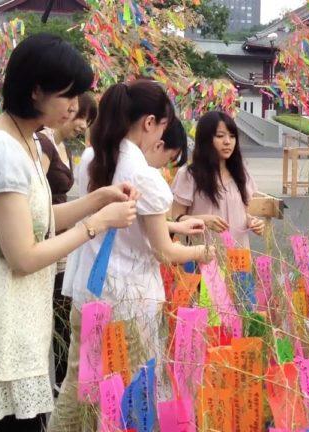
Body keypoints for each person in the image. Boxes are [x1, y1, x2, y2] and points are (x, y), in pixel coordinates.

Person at [0, 33, 138, 432]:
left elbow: (39, 217)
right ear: (36, 92)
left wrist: (97, 199)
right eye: (68, 94)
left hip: (17, 313)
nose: (74, 105)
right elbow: (24, 255)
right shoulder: (1, 150)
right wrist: (96, 224)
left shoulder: (26, 141)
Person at [49, 79, 212, 431]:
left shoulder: (94, 156)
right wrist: (205, 252)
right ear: (150, 122)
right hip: (130, 302)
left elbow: (129, 228)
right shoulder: (145, 177)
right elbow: (163, 252)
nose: (161, 140)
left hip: (90, 294)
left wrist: (175, 227)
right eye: (163, 127)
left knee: (81, 386)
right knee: (129, 392)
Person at [37, 92, 98, 395]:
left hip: (62, 236)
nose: (82, 125)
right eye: (79, 116)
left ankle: (63, 385)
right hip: (48, 234)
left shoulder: (63, 146)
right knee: (55, 318)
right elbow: (37, 198)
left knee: (63, 317)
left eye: (87, 120)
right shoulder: (44, 142)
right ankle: (58, 387)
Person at [170, 110, 264, 248]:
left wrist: (252, 222)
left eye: (232, 136)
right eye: (220, 136)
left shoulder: (241, 173)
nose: (227, 142)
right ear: (206, 139)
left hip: (238, 256)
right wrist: (203, 220)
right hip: (203, 256)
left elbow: (240, 212)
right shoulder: (189, 175)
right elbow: (176, 218)